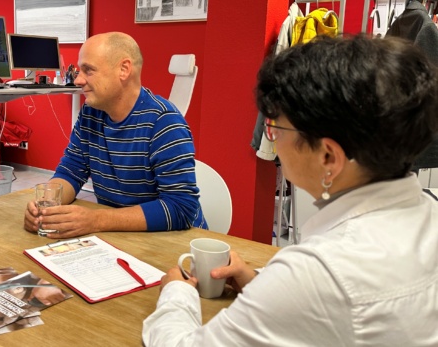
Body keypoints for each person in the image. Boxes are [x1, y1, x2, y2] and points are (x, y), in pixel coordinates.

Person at [142, 35, 438, 346]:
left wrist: (177, 292)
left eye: (276, 128)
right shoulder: (428, 214)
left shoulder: (318, 272)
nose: (272, 139)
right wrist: (261, 284)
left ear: (328, 157)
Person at [23, 32, 205, 239]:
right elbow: (70, 172)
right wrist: (45, 207)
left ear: (124, 69)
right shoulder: (90, 114)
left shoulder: (164, 122)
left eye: (88, 70)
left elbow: (181, 208)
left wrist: (96, 220)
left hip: (174, 242)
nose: (78, 80)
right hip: (123, 236)